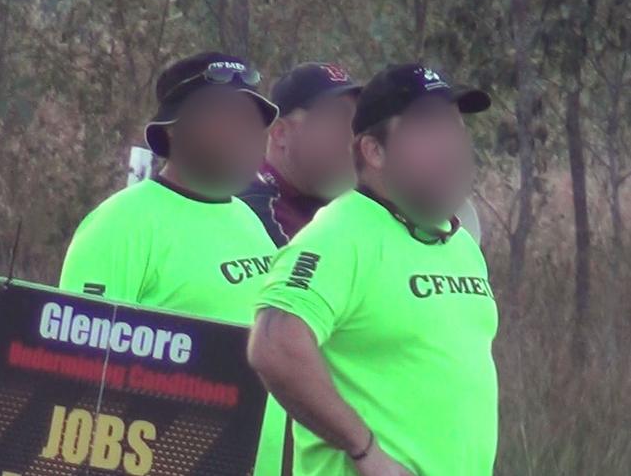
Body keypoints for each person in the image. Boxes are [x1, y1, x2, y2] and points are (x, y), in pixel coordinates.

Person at [248, 64, 498, 476]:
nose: (452, 147)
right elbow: (274, 346)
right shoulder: (339, 234)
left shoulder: (458, 243)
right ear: (373, 151)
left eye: (455, 128)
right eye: (428, 129)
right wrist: (365, 450)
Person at [59, 51, 284, 472]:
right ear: (175, 131)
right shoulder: (120, 224)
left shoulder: (246, 217)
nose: (246, 134)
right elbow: (77, 379)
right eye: (226, 117)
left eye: (253, 121)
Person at [239, 62, 361, 245]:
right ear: (280, 133)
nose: (351, 138)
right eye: (334, 120)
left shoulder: (340, 202)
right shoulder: (254, 207)